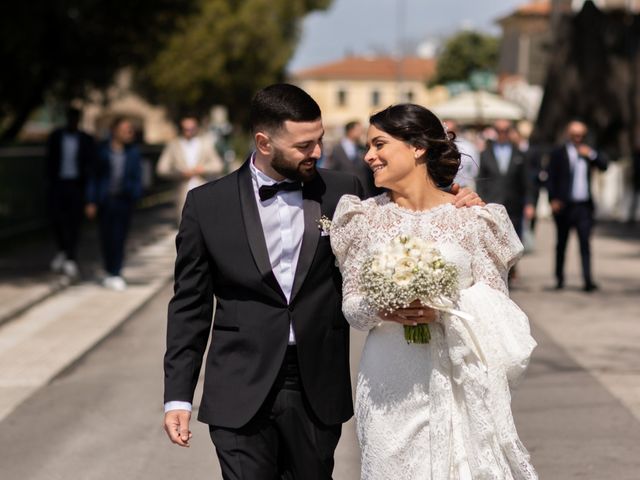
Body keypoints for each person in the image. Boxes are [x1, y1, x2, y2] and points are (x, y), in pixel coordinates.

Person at [162, 84, 483, 480]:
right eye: (304, 145)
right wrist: (178, 395)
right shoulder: (207, 205)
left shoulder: (343, 192)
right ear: (264, 142)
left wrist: (458, 201)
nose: (316, 152)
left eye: (319, 141)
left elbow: (407, 221)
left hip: (315, 385)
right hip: (237, 384)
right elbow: (188, 306)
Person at [330, 104, 537, 479]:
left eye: (379, 144)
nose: (368, 156)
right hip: (387, 382)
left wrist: (442, 305)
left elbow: (497, 309)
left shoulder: (473, 219)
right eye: (367, 147)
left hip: (457, 376)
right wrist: (385, 307)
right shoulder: (362, 218)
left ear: (417, 148)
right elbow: (352, 307)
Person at [547, 120, 608, 292]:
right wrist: (552, 199)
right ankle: (559, 279)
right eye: (574, 135)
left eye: (581, 135)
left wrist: (591, 155)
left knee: (585, 244)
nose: (577, 138)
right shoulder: (558, 153)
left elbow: (604, 165)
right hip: (564, 206)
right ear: (568, 134)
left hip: (583, 207)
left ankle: (588, 280)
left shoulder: (589, 152)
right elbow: (550, 178)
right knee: (561, 244)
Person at [85, 117, 143, 291]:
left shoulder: (133, 152)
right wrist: (91, 201)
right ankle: (108, 270)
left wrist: (135, 195)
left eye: (131, 130)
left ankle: (116, 272)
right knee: (105, 237)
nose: (129, 133)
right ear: (115, 130)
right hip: (105, 200)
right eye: (126, 129)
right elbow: (93, 177)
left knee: (120, 237)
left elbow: (137, 177)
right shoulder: (101, 150)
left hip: (124, 200)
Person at [44, 107, 97, 278]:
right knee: (56, 219)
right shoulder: (56, 137)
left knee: (74, 222)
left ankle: (70, 256)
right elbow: (49, 161)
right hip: (59, 183)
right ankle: (63, 250)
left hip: (77, 185)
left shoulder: (86, 139)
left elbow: (91, 166)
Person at [156, 115, 224, 222]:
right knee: (185, 229)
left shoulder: (205, 144)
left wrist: (203, 169)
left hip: (204, 192)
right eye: (186, 129)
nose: (189, 131)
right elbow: (162, 169)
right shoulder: (173, 145)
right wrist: (180, 174)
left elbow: (218, 165)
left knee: (207, 226)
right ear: (181, 129)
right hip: (183, 195)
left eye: (192, 128)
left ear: (196, 128)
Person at [477, 119, 535, 240]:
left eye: (506, 130)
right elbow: (481, 180)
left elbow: (527, 181)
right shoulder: (485, 154)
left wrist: (530, 203)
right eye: (499, 130)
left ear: (511, 131)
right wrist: (480, 201)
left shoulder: (520, 154)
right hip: (491, 205)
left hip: (514, 206)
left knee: (514, 243)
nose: (502, 133)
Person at [327, 120, 381, 197]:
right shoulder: (337, 149)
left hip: (363, 190)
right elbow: (331, 168)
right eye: (358, 130)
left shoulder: (362, 147)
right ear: (350, 131)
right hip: (344, 189)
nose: (361, 132)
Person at [443, 119, 479, 190]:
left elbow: (475, 170)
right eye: (446, 131)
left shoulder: (468, 147)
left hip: (462, 188)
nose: (448, 134)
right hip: (441, 188)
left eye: (451, 130)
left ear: (456, 130)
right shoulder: (435, 146)